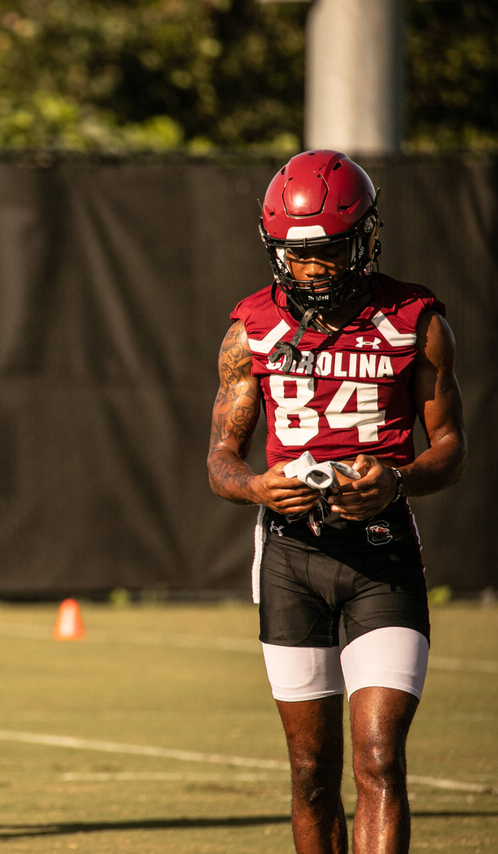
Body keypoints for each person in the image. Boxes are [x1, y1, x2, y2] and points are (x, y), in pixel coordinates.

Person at [207, 151, 466, 854]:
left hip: (381, 556)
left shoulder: (416, 319)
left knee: (380, 758)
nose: (314, 268)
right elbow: (221, 462)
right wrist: (258, 487)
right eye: (298, 254)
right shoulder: (250, 329)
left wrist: (397, 480)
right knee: (311, 773)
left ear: (366, 239)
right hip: (289, 557)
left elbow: (450, 448)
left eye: (330, 251)